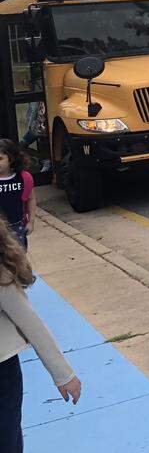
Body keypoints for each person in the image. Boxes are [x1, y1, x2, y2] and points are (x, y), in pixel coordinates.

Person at [0, 220, 81, 451]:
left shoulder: (1, 276)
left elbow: (31, 323)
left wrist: (63, 374)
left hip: (2, 371)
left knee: (7, 437)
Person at [0, 142, 34, 249]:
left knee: (18, 260)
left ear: (11, 158)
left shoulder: (24, 178)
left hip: (17, 227)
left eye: (0, 159)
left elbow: (30, 198)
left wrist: (31, 221)